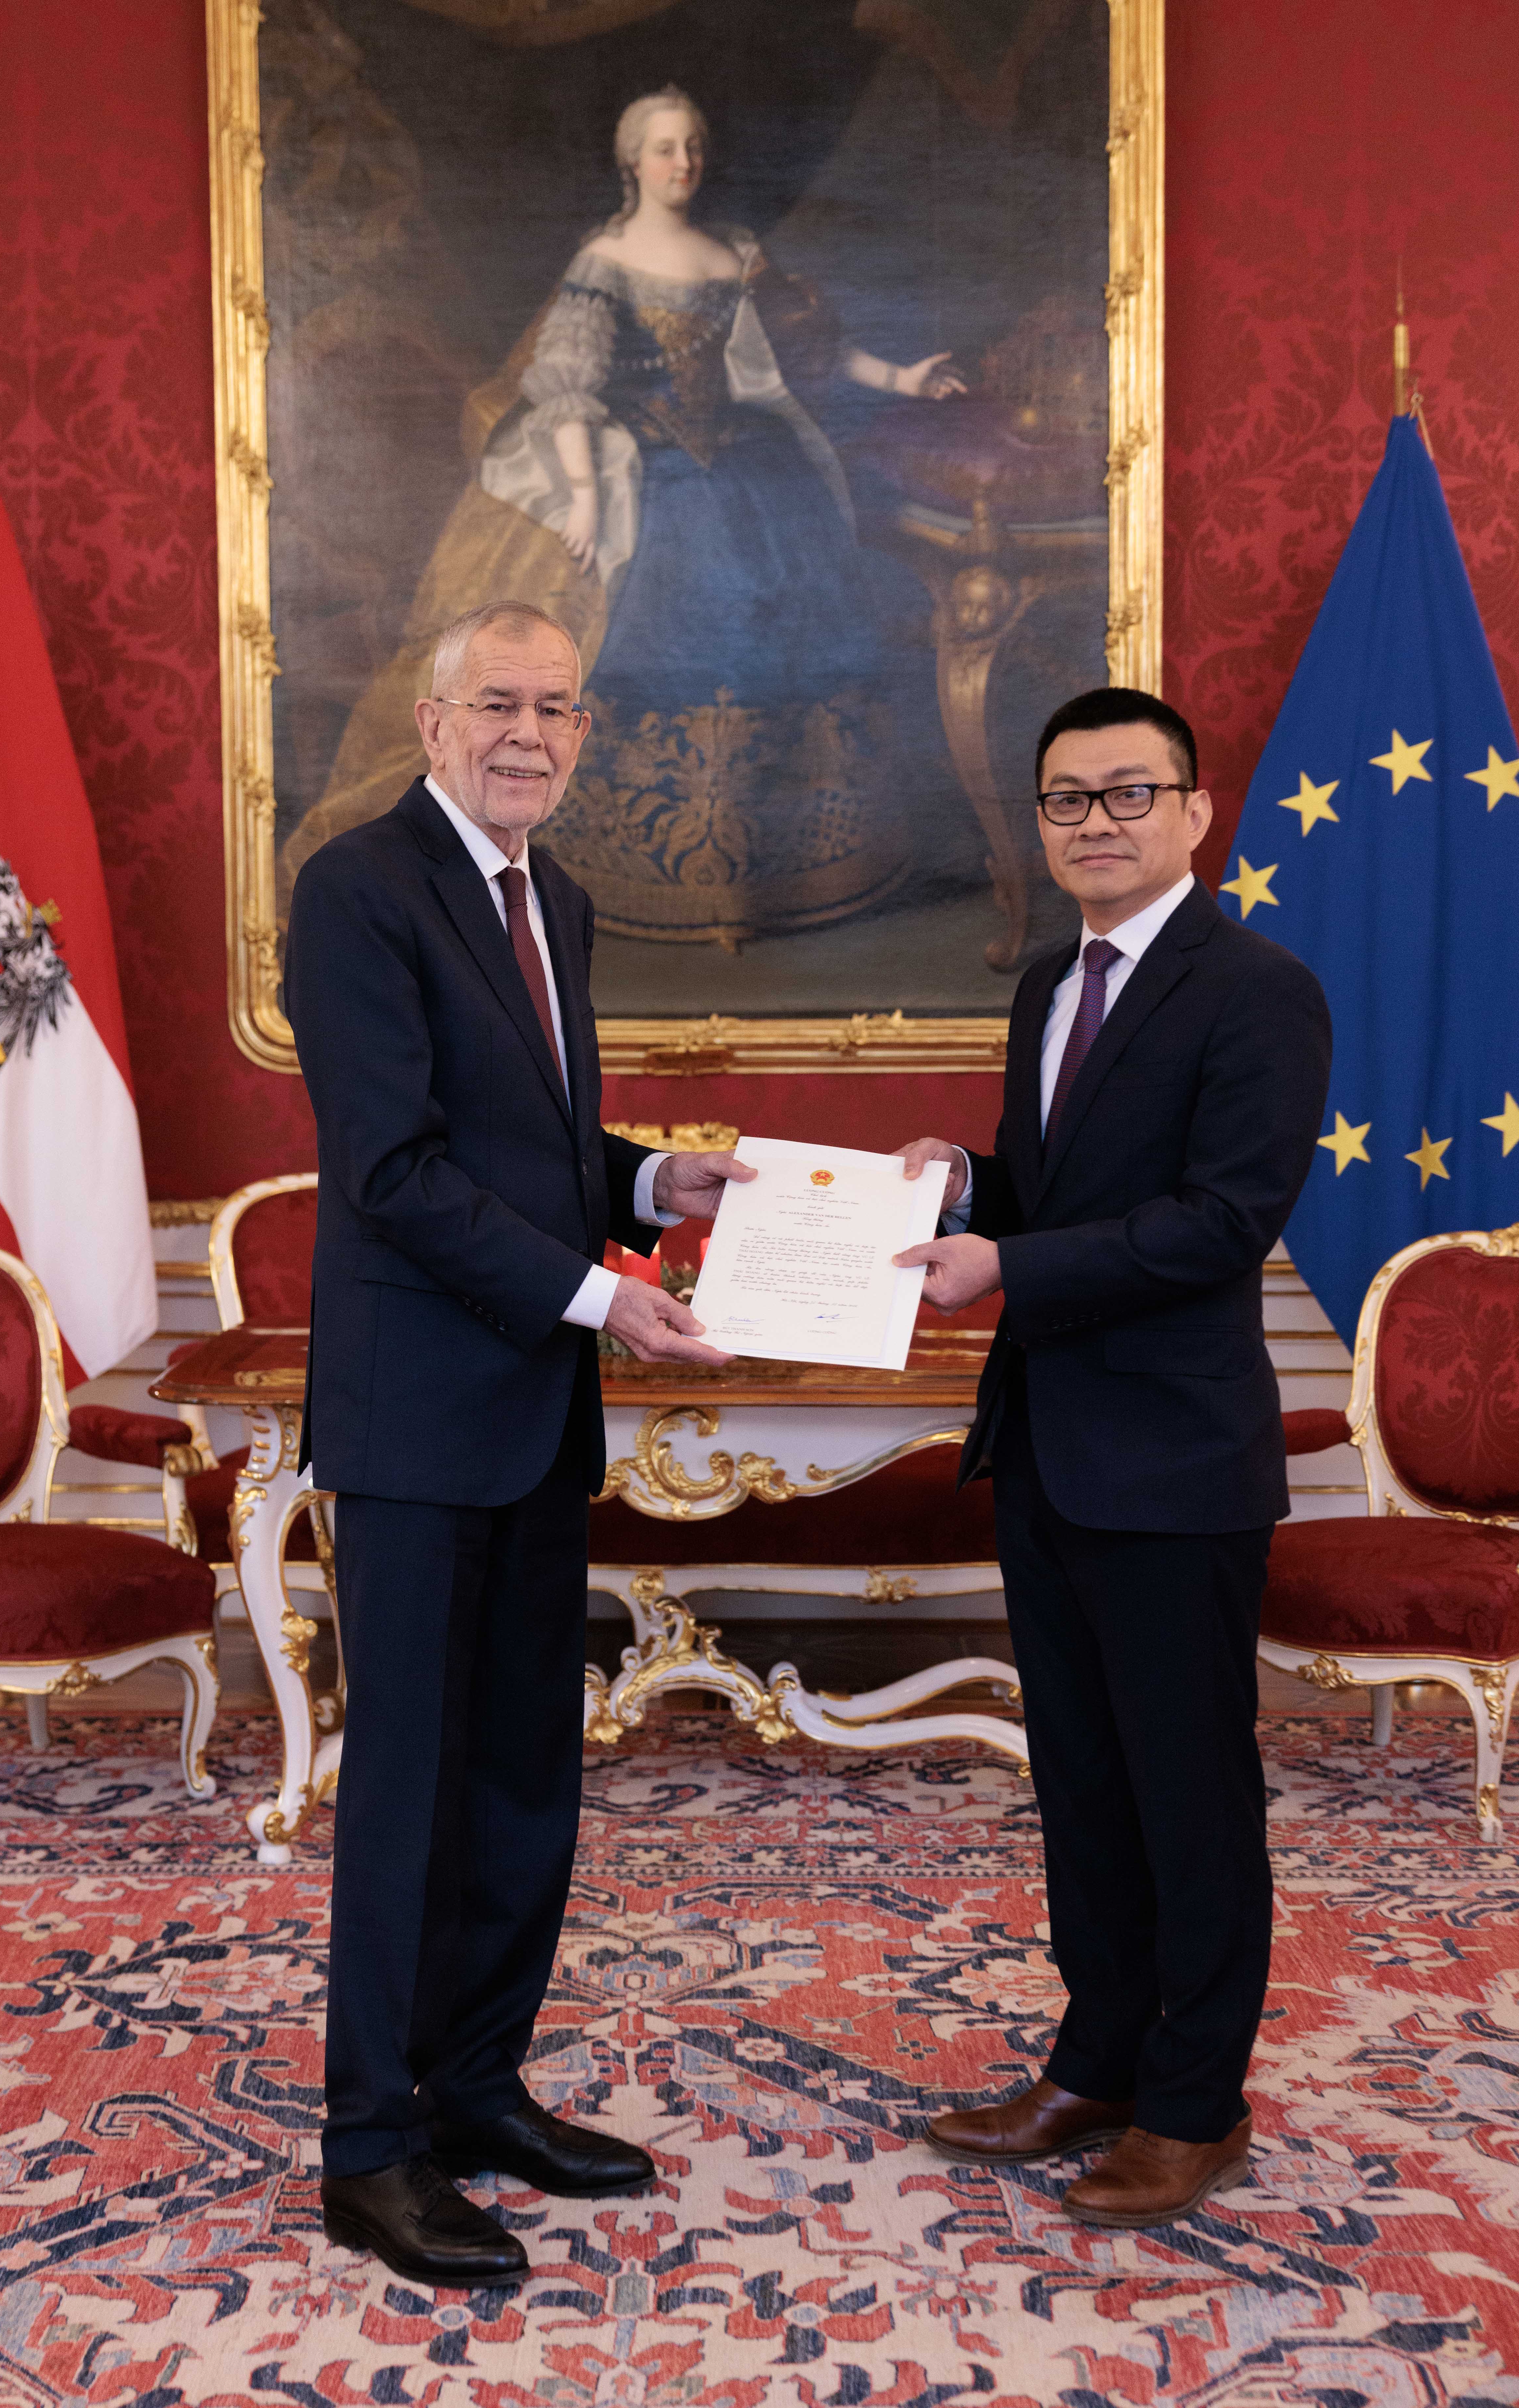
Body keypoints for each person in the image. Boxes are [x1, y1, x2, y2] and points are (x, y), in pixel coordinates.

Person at [283, 598, 753, 2288]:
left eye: (557, 708)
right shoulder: (357, 890)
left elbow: (534, 1139)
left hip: (535, 1417)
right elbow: (396, 1171)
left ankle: (477, 2089)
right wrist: (606, 1296)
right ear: (432, 721)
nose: (528, 734)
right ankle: (371, 2148)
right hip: (419, 1423)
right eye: (498, 703)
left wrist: (649, 1182)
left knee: (521, 1782)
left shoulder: (557, 894)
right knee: (409, 1793)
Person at [896, 687, 1331, 2228]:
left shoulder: (1259, 991)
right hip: (1049, 1444)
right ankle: (1098, 2065)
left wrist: (1006, 1267)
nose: (1097, 821)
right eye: (1068, 798)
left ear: (1195, 812)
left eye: (1129, 792)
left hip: (1174, 1460)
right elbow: (1063, 1190)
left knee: (1188, 1794)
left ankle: (1197, 2104)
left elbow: (1221, 1222)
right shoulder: (1048, 986)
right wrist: (968, 1191)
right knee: (1083, 1784)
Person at [291, 84, 963, 947]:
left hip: (752, 468)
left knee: (783, 630)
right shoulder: (605, 259)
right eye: (664, 148)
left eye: (692, 147)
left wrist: (902, 379)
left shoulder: (735, 251)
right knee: (650, 619)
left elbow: (808, 349)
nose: (682, 163)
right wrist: (584, 495)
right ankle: (644, 864)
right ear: (632, 162)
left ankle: (783, 861)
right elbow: (568, 387)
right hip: (643, 473)